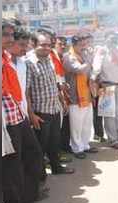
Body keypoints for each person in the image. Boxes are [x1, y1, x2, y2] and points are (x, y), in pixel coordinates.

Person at [2, 19, 37, 203]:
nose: (10, 39)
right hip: (4, 123)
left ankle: (21, 200)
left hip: (16, 115)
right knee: (10, 169)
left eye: (11, 35)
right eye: (5, 34)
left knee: (30, 154)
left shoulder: (4, 58)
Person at [26, 32, 75, 174]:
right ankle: (40, 178)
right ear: (34, 45)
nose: (47, 48)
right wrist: (31, 114)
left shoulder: (49, 60)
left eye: (49, 45)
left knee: (54, 143)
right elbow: (26, 92)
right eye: (43, 45)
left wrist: (61, 97)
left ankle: (56, 168)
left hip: (54, 108)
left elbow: (53, 83)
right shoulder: (29, 64)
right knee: (40, 148)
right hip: (41, 113)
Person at [62, 33, 97, 159]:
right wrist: (89, 60)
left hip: (87, 94)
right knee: (76, 125)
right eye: (81, 45)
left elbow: (89, 72)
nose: (84, 47)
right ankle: (77, 148)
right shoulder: (68, 57)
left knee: (87, 123)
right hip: (75, 96)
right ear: (74, 45)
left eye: (85, 44)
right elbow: (79, 70)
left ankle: (85, 145)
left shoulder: (84, 56)